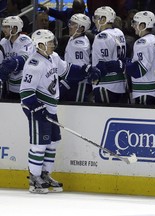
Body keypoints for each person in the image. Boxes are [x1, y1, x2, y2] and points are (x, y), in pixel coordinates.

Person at [19, 29, 111, 194]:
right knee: (39, 144)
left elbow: (67, 70)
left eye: (52, 41)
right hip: (37, 109)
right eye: (49, 42)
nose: (53, 44)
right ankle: (34, 177)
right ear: (39, 45)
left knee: (52, 142)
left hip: (50, 107)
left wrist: (86, 70)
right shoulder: (34, 64)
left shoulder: (53, 58)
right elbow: (26, 92)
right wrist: (37, 109)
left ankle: (45, 175)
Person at [125, 10, 155, 105]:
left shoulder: (142, 43)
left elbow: (139, 70)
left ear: (143, 26)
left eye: (135, 23)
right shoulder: (153, 38)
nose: (132, 26)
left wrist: (124, 66)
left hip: (147, 91)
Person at [91, 6, 126, 104]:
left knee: (102, 117)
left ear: (104, 19)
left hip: (106, 85)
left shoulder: (102, 36)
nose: (95, 21)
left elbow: (103, 66)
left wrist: (89, 74)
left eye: (97, 17)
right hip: (120, 85)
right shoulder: (119, 33)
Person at [59, 13, 92, 102]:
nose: (70, 26)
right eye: (70, 23)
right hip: (73, 82)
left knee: (79, 111)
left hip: (78, 85)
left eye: (73, 24)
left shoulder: (79, 45)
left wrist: (66, 84)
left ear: (81, 28)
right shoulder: (74, 38)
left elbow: (81, 70)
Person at [0, 16, 34, 100]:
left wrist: (12, 63)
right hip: (11, 87)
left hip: (25, 87)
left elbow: (25, 59)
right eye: (3, 27)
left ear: (15, 28)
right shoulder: (3, 42)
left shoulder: (25, 40)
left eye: (7, 27)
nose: (4, 29)